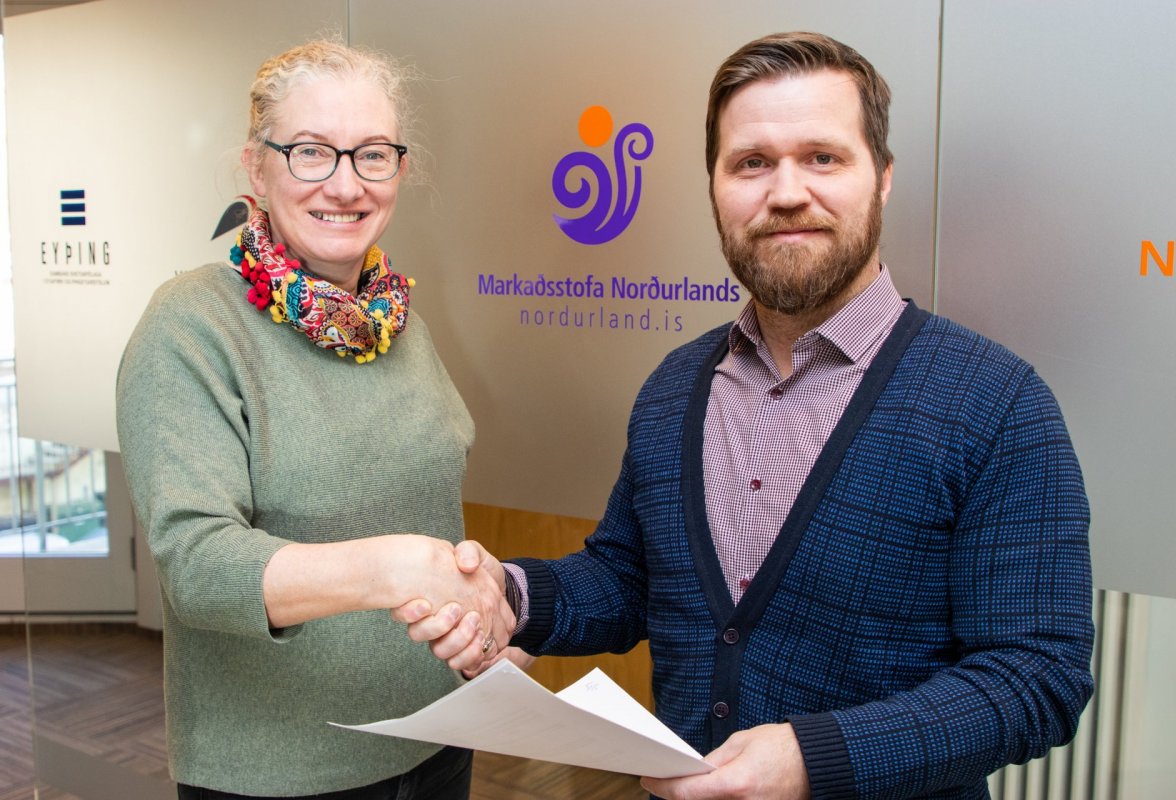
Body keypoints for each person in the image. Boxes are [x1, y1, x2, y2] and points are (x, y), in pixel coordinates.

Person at [411, 31, 1095, 799]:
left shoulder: (998, 403)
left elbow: (1036, 677)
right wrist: (510, 595)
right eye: (752, 163)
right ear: (714, 186)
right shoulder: (677, 386)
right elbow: (628, 579)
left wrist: (815, 759)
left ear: (883, 178)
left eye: (823, 157)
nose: (787, 192)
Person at [116, 40, 512, 799]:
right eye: (310, 152)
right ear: (256, 168)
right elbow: (197, 566)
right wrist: (393, 570)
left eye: (373, 154)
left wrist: (485, 624)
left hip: (440, 735)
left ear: (399, 169)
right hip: (283, 773)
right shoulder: (191, 324)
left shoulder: (394, 322)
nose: (346, 184)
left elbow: (424, 510)